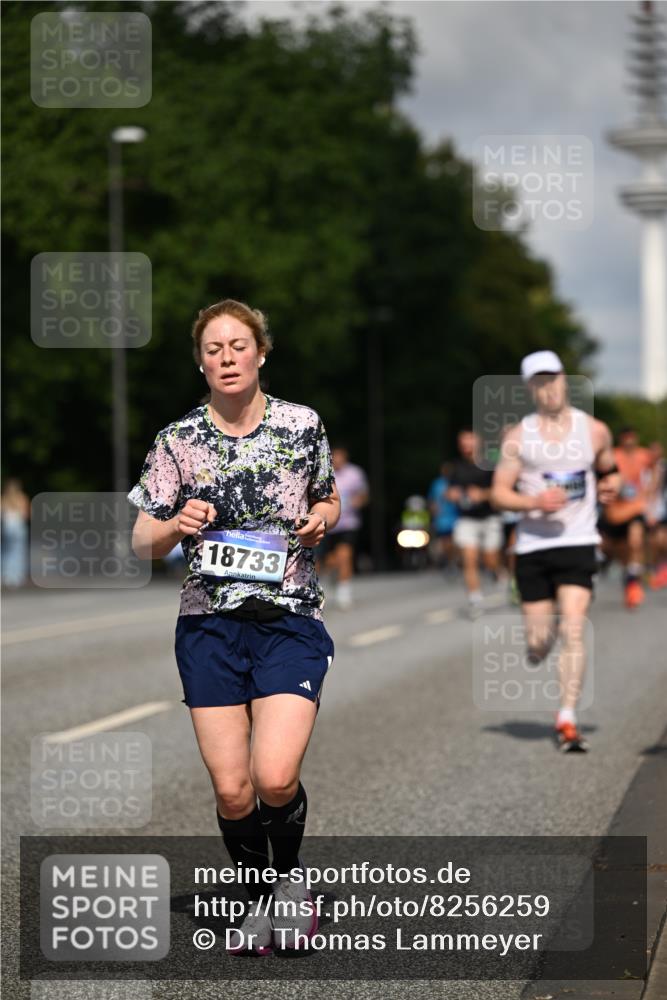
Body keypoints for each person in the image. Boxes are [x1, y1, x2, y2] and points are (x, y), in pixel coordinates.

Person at [129, 299, 340, 954]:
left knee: (274, 777)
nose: (226, 357)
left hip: (287, 619)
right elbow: (142, 541)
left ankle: (289, 890)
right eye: (213, 348)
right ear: (201, 361)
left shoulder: (302, 425)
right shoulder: (177, 441)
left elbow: (328, 494)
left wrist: (322, 518)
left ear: (260, 353)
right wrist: (173, 525)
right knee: (232, 787)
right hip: (208, 628)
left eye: (237, 345)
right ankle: (260, 901)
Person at [491, 350, 620, 752]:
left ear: (565, 379)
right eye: (539, 381)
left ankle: (567, 716)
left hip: (579, 542)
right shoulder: (517, 437)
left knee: (574, 627)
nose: (548, 387)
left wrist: (612, 487)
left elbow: (608, 469)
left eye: (554, 378)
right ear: (530, 388)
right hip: (533, 547)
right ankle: (536, 646)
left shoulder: (596, 430)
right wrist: (533, 503)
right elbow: (498, 493)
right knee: (540, 639)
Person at [448, 429, 503, 618]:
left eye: (469, 441)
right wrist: (452, 495)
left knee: (489, 559)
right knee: (469, 558)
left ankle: (497, 571)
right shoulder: (456, 467)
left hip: (489, 517)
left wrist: (483, 494)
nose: (466, 446)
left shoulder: (490, 464)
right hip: (466, 519)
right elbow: (449, 491)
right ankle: (475, 599)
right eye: (463, 442)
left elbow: (501, 491)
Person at [597, 426, 653, 609]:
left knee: (635, 541)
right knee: (607, 547)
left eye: (632, 437)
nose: (629, 440)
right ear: (621, 439)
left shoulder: (644, 455)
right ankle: (617, 568)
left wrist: (648, 495)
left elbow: (656, 471)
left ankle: (633, 583)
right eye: (626, 437)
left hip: (634, 507)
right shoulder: (613, 455)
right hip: (614, 509)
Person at [317, 446, 368, 609]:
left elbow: (363, 494)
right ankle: (332, 573)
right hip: (328, 525)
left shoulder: (354, 473)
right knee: (328, 561)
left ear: (345, 458)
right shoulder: (323, 472)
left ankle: (343, 593)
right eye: (334, 457)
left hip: (348, 524)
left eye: (340, 457)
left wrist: (358, 501)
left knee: (344, 556)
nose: (337, 460)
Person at [427, 461, 459, 571]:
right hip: (442, 518)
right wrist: (433, 509)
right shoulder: (437, 484)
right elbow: (431, 499)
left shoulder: (456, 482)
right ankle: (449, 561)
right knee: (445, 540)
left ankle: (454, 559)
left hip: (456, 516)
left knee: (455, 540)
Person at [1, 478, 30, 588]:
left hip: (7, 526)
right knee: (18, 551)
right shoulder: (22, 498)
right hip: (18, 526)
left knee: (5, 551)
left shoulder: (3, 499)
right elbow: (26, 514)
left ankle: (6, 575)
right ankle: (16, 576)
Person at [646, 441, 667, 589]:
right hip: (646, 509)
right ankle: (654, 570)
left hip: (661, 509)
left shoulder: (662, 467)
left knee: (662, 540)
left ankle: (661, 570)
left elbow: (656, 490)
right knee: (652, 542)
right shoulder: (644, 468)